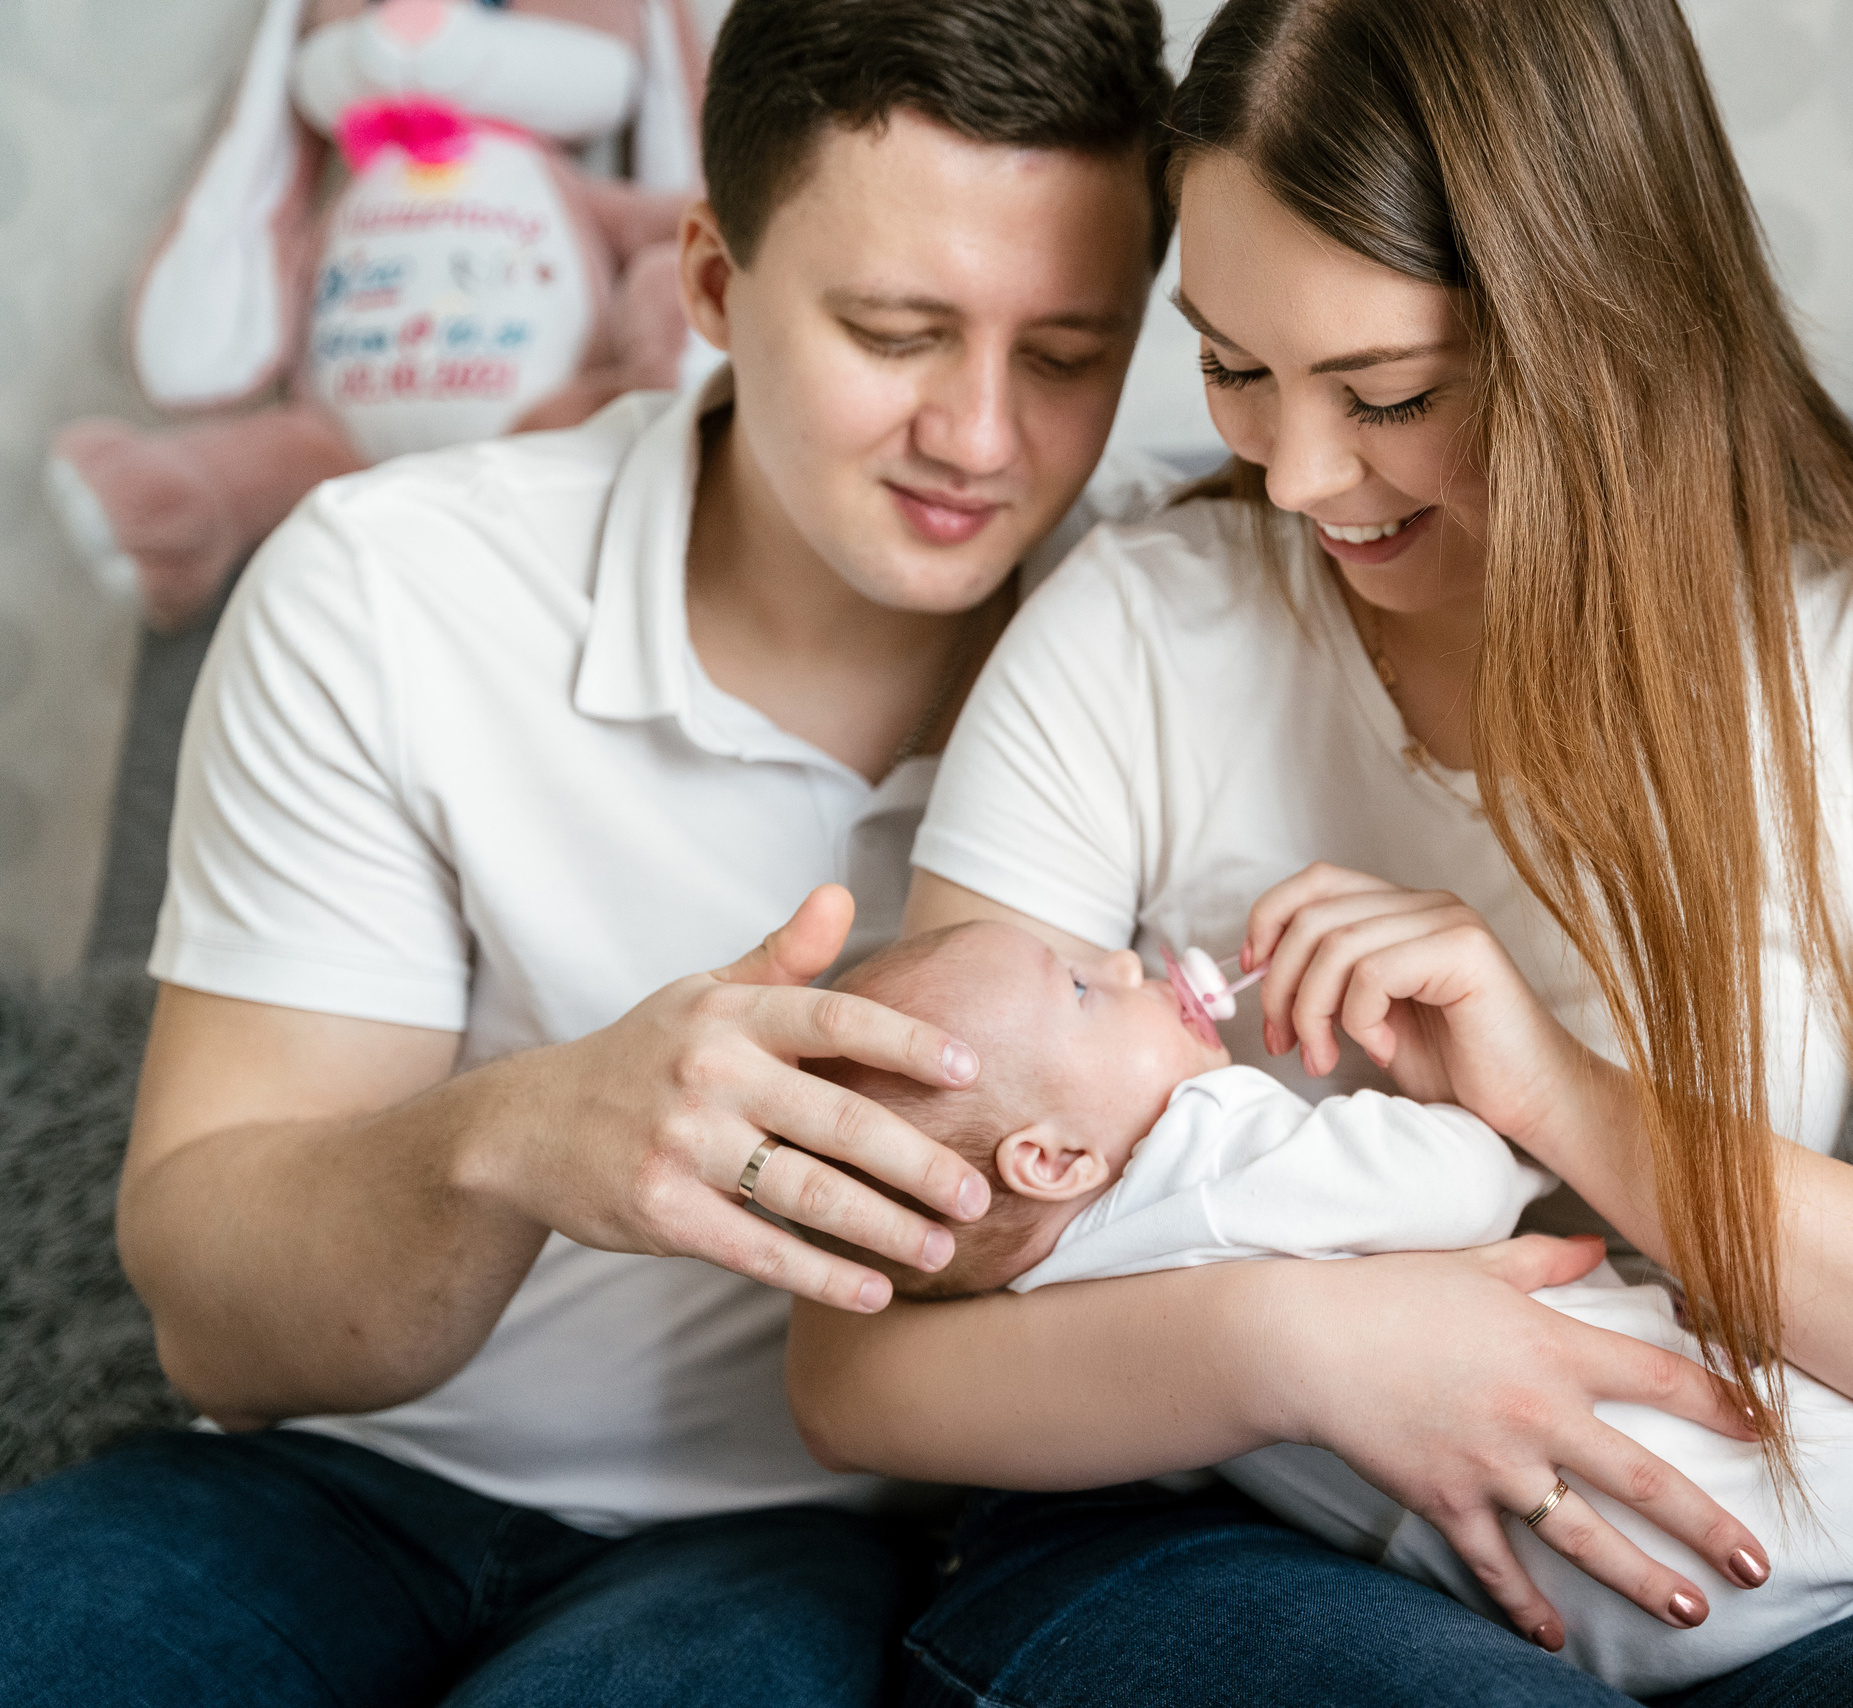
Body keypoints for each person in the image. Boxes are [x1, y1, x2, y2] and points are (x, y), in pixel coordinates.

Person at [786, 1, 1853, 1702]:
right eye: (1234, 368)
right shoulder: (1139, 635)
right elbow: (857, 1366)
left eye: (1389, 393)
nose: (1298, 475)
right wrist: (1302, 1347)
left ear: (1606, 332)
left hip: (1723, 1561)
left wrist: (1556, 1094)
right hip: (1215, 1520)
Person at [0, 2, 1178, 1702]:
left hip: (805, 1542)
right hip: (339, 1477)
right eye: (895, 332)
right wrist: (520, 1137)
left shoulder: (1187, 620)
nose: (981, 438)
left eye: (1067, 355)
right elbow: (218, 1328)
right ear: (708, 281)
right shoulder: (392, 587)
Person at [814, 918, 1853, 1696]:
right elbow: (1447, 1192)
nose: (1120, 957)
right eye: (1082, 988)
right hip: (1633, 1461)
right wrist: (1442, 1106)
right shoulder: (1205, 1149)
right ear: (1045, 1153)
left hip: (1518, 1574)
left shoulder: (1054, 1255)